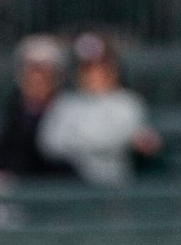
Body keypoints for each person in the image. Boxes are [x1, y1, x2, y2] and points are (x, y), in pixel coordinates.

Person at [37, 32, 161, 186]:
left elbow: (125, 139)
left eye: (100, 67)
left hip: (115, 185)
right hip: (71, 184)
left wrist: (77, 141)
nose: (94, 75)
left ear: (113, 69)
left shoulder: (128, 103)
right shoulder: (65, 103)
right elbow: (50, 144)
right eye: (87, 69)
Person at [0, 34, 73, 183]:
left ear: (56, 77)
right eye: (30, 72)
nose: (36, 80)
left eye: (44, 73)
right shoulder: (12, 112)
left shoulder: (69, 112)